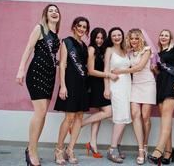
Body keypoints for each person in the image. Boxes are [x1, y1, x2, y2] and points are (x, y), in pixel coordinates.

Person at [16, 4, 61, 166]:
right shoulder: (39, 29)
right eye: (51, 10)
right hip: (36, 73)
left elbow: (52, 56)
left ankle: (32, 148)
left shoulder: (55, 34)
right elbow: (28, 49)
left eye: (56, 11)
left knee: (43, 114)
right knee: (40, 112)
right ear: (46, 15)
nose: (54, 12)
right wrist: (21, 70)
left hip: (49, 75)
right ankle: (32, 151)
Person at [112, 28, 156, 165]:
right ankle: (141, 150)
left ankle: (146, 144)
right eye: (132, 38)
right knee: (135, 114)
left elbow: (139, 67)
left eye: (137, 38)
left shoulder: (147, 50)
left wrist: (120, 71)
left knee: (145, 117)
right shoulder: (129, 53)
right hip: (135, 86)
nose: (134, 41)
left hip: (148, 85)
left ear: (141, 39)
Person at [53, 16, 90, 165]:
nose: (82, 29)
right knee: (69, 118)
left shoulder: (84, 46)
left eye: (84, 27)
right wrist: (63, 85)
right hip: (70, 83)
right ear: (74, 26)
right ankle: (59, 150)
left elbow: (85, 66)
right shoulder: (66, 42)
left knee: (79, 117)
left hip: (82, 84)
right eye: (79, 26)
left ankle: (70, 149)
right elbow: (62, 64)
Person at [147, 29, 174, 165]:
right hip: (162, 84)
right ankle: (169, 151)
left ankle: (159, 150)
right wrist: (154, 69)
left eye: (166, 35)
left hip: (173, 82)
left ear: (170, 38)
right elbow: (159, 71)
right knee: (165, 119)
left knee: (166, 115)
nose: (163, 37)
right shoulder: (158, 54)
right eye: (162, 35)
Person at [81, 27, 118, 158]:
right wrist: (108, 74)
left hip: (101, 82)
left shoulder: (102, 49)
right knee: (108, 111)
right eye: (97, 37)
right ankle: (80, 124)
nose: (100, 40)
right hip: (95, 83)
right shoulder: (91, 49)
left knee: (100, 113)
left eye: (102, 38)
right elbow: (90, 70)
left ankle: (92, 143)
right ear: (93, 37)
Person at [104, 27, 132, 163]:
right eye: (114, 35)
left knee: (125, 117)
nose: (116, 37)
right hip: (116, 86)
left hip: (127, 86)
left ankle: (117, 147)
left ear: (122, 36)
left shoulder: (125, 50)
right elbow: (105, 71)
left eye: (119, 34)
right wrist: (106, 89)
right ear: (111, 37)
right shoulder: (109, 50)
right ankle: (112, 149)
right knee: (120, 117)